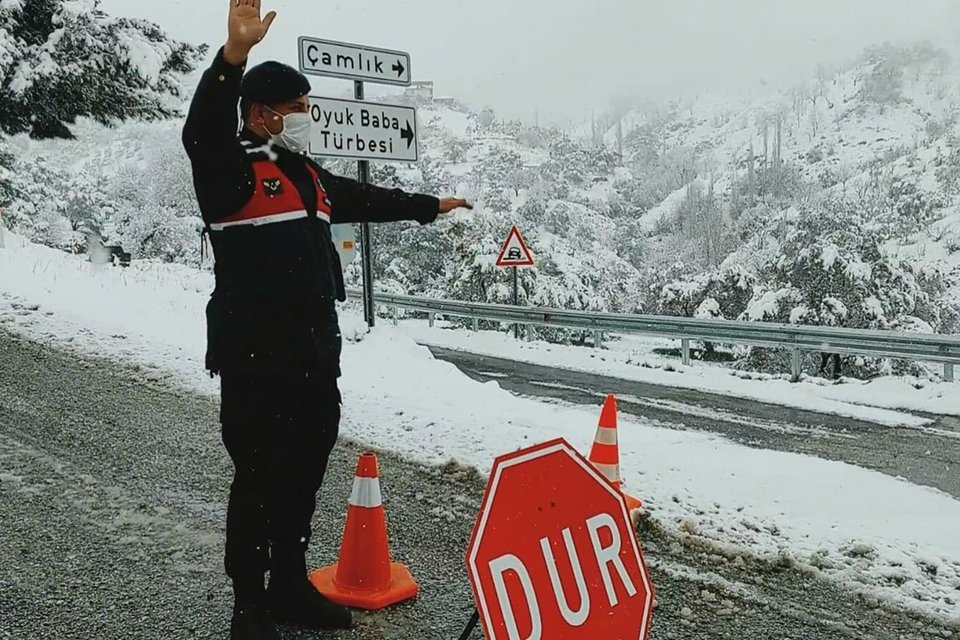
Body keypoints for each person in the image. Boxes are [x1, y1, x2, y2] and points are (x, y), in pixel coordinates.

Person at [182, 2, 471, 638]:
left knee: (304, 472)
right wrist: (232, 59)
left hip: (314, 356)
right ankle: (249, 605)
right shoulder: (229, 172)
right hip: (256, 357)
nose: (308, 119)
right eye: (298, 108)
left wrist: (427, 205)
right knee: (259, 477)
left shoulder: (305, 175)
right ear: (262, 113)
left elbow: (363, 198)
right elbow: (201, 130)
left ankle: (288, 584)